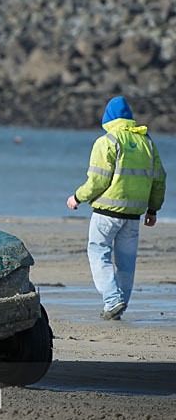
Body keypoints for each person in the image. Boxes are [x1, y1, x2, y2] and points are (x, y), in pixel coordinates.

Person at [66, 96, 166, 320]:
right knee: (126, 263)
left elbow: (98, 181)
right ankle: (119, 306)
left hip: (106, 214)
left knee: (98, 253)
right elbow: (160, 179)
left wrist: (77, 197)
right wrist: (153, 209)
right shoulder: (147, 143)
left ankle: (112, 301)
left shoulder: (107, 141)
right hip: (133, 216)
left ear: (108, 118)